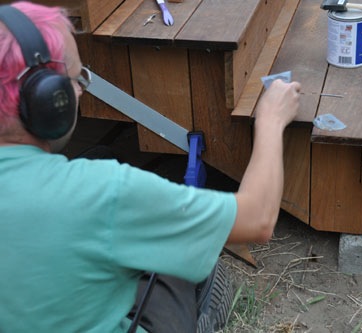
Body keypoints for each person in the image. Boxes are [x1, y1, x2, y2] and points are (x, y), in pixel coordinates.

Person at [0, 2, 301, 333]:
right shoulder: (101, 192)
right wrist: (272, 119)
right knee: (176, 257)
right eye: (75, 80)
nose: (79, 91)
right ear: (47, 101)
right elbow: (256, 219)